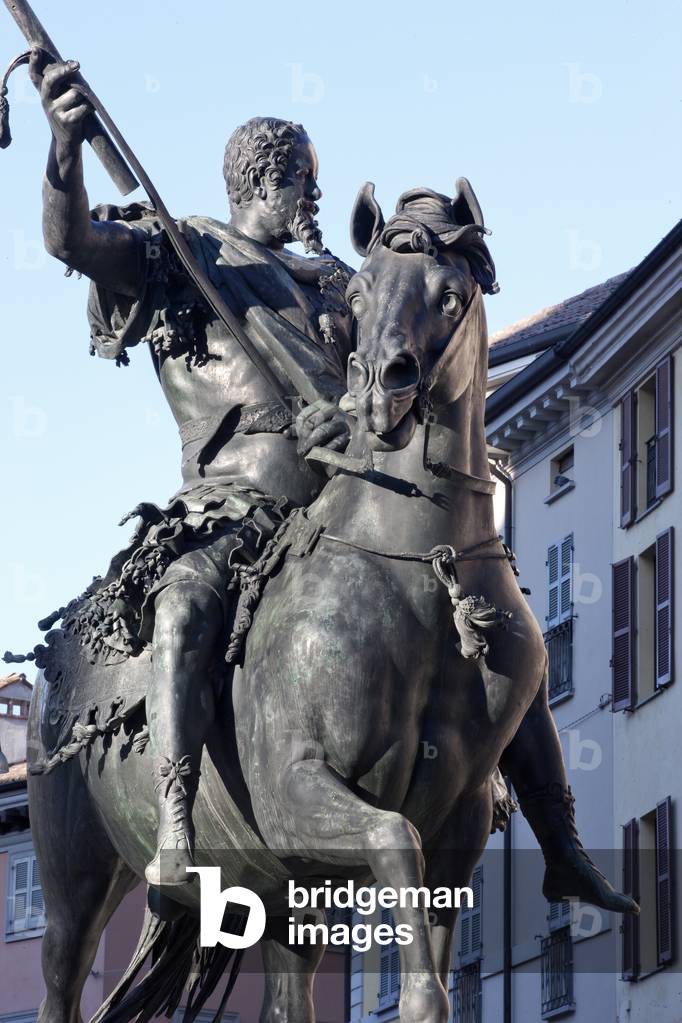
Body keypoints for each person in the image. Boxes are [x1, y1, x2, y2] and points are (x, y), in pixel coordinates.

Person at [32, 51, 635, 912]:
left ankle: (559, 837)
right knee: (186, 604)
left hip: (345, 495)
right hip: (233, 503)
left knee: (500, 621)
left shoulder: (342, 286)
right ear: (263, 179)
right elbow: (72, 241)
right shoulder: (182, 253)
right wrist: (63, 149)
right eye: (304, 183)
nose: (316, 200)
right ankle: (175, 816)